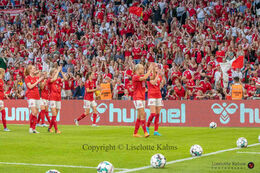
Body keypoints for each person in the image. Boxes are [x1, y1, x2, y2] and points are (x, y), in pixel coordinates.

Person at [132, 64, 153, 138]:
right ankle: (145, 132)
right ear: (137, 70)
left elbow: (150, 78)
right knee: (143, 114)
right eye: (142, 68)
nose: (143, 69)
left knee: (139, 116)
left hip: (142, 98)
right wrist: (149, 70)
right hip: (137, 98)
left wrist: (154, 71)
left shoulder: (142, 76)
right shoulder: (135, 76)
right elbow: (144, 77)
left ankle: (135, 133)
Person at [24, 65, 44, 133]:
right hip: (31, 96)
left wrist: (41, 79)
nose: (35, 69)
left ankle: (33, 128)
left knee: (36, 113)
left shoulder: (36, 77)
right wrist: (38, 81)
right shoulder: (27, 78)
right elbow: (30, 86)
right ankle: (30, 128)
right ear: (30, 70)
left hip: (37, 96)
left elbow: (40, 85)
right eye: (33, 68)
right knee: (34, 112)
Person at [146, 64, 165, 136]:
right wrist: (158, 75)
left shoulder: (159, 76)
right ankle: (147, 126)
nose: (158, 68)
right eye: (156, 67)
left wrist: (162, 77)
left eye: (158, 67)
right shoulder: (149, 76)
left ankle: (155, 131)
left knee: (157, 114)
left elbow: (162, 84)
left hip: (158, 95)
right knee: (153, 113)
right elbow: (153, 82)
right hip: (152, 96)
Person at [48, 66, 67, 134]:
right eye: (55, 72)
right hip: (52, 98)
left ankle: (49, 128)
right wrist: (58, 71)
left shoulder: (58, 80)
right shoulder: (49, 80)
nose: (56, 73)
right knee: (54, 114)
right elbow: (54, 78)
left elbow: (65, 78)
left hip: (58, 98)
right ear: (51, 73)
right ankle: (56, 129)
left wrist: (61, 72)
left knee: (55, 115)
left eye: (56, 72)